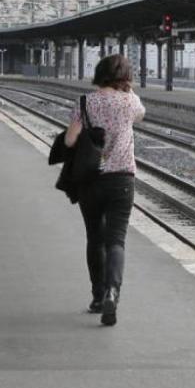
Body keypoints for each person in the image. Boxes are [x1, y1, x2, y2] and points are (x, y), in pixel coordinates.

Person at [63, 54, 145, 325]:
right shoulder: (130, 102)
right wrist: (128, 89)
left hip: (91, 180)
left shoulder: (85, 102)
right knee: (116, 240)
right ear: (125, 77)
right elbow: (142, 114)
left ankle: (98, 297)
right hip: (122, 180)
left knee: (94, 238)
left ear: (99, 73)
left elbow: (70, 139)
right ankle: (113, 291)